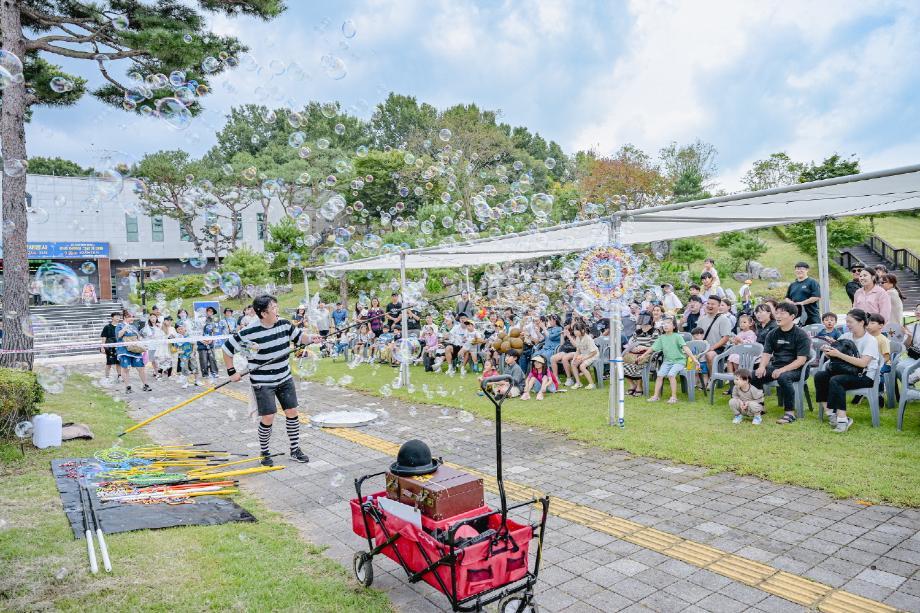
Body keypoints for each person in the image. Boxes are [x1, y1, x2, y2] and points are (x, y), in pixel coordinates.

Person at [223, 295, 315, 466]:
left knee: (292, 412)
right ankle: (264, 452)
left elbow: (300, 338)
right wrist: (231, 371)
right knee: (268, 416)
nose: (276, 310)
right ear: (263, 313)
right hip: (262, 381)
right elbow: (227, 349)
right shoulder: (250, 331)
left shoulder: (284, 324)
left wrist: (311, 339)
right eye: (273, 308)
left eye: (276, 306)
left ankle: (295, 449)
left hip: (284, 377)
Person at [814, 309, 880, 433]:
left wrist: (838, 354)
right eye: (846, 321)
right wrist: (828, 352)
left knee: (836, 380)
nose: (847, 325)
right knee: (820, 376)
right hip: (844, 371)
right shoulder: (845, 336)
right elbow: (835, 356)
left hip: (864, 376)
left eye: (850, 322)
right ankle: (831, 414)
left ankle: (843, 420)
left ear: (861, 322)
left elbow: (863, 363)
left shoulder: (870, 340)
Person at [750, 301, 811, 425]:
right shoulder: (772, 334)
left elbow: (801, 360)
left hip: (797, 369)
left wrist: (783, 370)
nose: (778, 316)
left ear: (792, 317)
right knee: (754, 374)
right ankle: (759, 407)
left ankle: (790, 413)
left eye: (782, 313)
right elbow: (766, 353)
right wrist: (761, 367)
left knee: (784, 377)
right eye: (776, 313)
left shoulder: (801, 334)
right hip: (777, 366)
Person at [648, 317, 698, 403]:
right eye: (664, 324)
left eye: (668, 323)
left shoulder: (677, 336)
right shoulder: (661, 337)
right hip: (667, 361)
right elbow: (652, 348)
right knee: (660, 375)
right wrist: (644, 355)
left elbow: (685, 348)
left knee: (671, 375)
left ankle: (674, 397)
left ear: (674, 326)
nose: (665, 325)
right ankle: (656, 396)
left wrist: (694, 359)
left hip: (679, 361)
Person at [116, 312, 151, 393]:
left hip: (135, 350)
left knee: (141, 368)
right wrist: (126, 327)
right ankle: (128, 387)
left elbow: (138, 337)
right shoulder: (119, 325)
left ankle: (145, 385)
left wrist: (142, 341)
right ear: (124, 317)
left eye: (133, 317)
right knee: (126, 369)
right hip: (124, 350)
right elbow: (119, 336)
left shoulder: (134, 327)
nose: (132, 318)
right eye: (130, 317)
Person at [623, 314, 657, 396]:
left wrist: (644, 347)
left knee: (638, 361)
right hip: (635, 353)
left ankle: (639, 386)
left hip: (648, 353)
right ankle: (632, 385)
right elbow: (631, 343)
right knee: (621, 362)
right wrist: (633, 348)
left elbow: (656, 346)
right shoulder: (637, 332)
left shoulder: (655, 331)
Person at [698, 296, 733, 376]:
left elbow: (726, 338)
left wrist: (712, 348)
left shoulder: (723, 319)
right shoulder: (702, 319)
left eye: (713, 304)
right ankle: (698, 379)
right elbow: (697, 334)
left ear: (719, 306)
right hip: (704, 347)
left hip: (719, 348)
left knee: (709, 355)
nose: (710, 306)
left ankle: (712, 378)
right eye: (708, 303)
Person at [570, 322, 599, 390]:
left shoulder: (588, 339)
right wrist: (574, 358)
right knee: (573, 363)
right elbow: (578, 350)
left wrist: (584, 358)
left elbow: (594, 352)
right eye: (574, 330)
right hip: (584, 355)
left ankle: (592, 384)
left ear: (582, 330)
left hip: (593, 355)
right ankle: (578, 383)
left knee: (582, 366)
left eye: (576, 330)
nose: (575, 332)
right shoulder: (577, 337)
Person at [174, 321, 201, 388]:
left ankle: (197, 381)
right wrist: (179, 351)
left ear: (185, 329)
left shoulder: (189, 336)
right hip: (183, 356)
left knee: (195, 367)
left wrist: (193, 352)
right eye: (179, 329)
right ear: (176, 330)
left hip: (191, 354)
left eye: (181, 328)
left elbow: (194, 344)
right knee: (184, 368)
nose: (180, 330)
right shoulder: (177, 338)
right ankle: (185, 383)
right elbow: (175, 348)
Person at [881, 274, 905, 340]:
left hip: (892, 326)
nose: (881, 284)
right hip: (896, 325)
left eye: (883, 282)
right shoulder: (894, 291)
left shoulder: (890, 292)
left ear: (891, 283)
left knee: (891, 347)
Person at [100, 312, 123, 382]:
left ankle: (120, 376)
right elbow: (104, 337)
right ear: (112, 317)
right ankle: (107, 377)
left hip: (119, 347)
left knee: (118, 362)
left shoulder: (121, 326)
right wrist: (102, 347)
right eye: (116, 316)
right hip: (109, 347)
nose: (118, 318)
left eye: (119, 316)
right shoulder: (107, 327)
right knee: (109, 363)